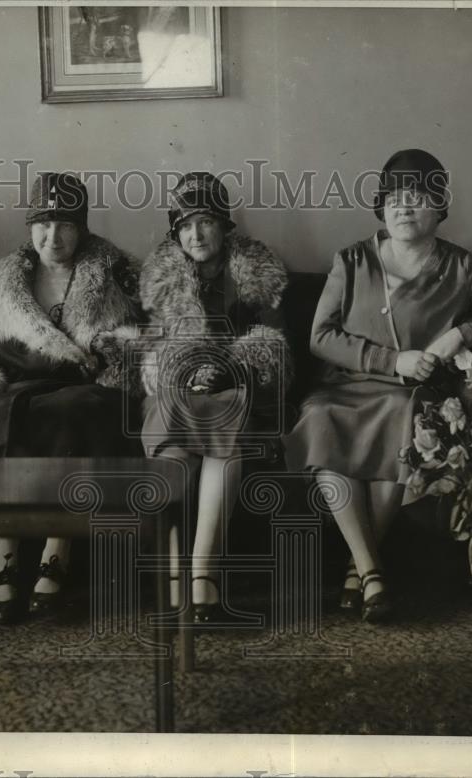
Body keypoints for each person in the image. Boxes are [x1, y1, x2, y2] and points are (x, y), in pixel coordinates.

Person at [282, 149, 472, 623]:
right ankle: (368, 569)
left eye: (418, 197)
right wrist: (391, 359)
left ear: (440, 208)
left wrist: (467, 332)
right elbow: (320, 337)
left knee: (406, 421)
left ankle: (361, 572)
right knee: (320, 419)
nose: (404, 207)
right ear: (381, 207)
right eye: (394, 197)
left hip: (409, 395)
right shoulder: (353, 260)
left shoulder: (461, 268)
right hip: (344, 386)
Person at [0, 172, 142, 624]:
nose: (53, 236)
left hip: (90, 387)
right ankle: (5, 556)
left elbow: (135, 342)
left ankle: (57, 550)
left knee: (75, 409)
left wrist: (106, 354)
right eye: (43, 224)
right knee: (7, 410)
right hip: (21, 387)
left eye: (66, 225)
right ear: (30, 227)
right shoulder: (1, 285)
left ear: (82, 228)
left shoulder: (117, 275)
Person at [140, 172, 291, 624]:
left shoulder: (256, 272)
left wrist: (229, 366)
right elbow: (153, 344)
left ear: (225, 226)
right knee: (170, 423)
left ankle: (202, 572)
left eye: (205, 222)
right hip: (178, 389)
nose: (196, 234)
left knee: (224, 420)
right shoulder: (163, 278)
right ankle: (172, 574)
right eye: (185, 226)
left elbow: (274, 343)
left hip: (237, 386)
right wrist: (180, 367)